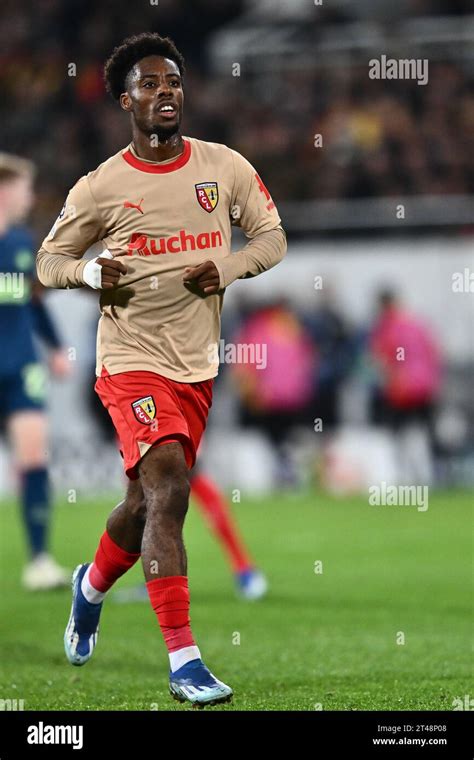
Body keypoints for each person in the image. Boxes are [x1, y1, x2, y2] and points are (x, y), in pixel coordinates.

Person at [36, 33, 286, 706]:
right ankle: (185, 662)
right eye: (150, 85)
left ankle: (89, 587)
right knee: (170, 485)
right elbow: (47, 261)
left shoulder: (223, 166)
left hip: (197, 365)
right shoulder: (100, 186)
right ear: (127, 101)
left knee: (144, 502)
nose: (165, 92)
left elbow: (271, 237)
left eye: (172, 81)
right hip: (128, 362)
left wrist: (229, 266)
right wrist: (87, 271)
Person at [0, 153, 70, 590]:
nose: (30, 196)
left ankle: (40, 560)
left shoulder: (25, 243)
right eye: (25, 188)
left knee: (34, 457)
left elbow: (33, 299)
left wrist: (56, 346)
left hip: (22, 364)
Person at [369, 288, 442, 484]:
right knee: (424, 432)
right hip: (424, 387)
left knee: (399, 434)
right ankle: (428, 476)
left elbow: (380, 359)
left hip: (401, 389)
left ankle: (405, 477)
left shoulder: (386, 327)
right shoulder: (418, 324)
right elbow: (434, 352)